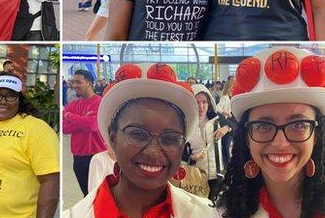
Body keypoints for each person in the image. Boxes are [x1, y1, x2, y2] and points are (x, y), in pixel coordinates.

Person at [214, 47, 325, 217]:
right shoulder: (226, 211)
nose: (280, 143)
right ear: (247, 138)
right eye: (263, 126)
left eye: (298, 125)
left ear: (316, 135)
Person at [63, 62, 214, 217]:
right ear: (113, 138)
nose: (153, 152)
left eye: (169, 139)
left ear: (182, 147)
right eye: (138, 135)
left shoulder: (205, 213)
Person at [0, 72, 59, 218]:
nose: (3, 101)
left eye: (10, 95)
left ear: (19, 99)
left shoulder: (36, 129)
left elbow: (50, 181)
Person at [185, 84, 234, 199]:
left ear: (209, 103)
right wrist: (191, 157)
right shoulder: (185, 122)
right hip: (195, 174)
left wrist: (226, 128)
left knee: (213, 206)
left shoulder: (215, 118)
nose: (201, 106)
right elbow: (178, 149)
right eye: (197, 102)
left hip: (215, 173)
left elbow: (234, 126)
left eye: (204, 102)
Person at [62, 69, 106, 196]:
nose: (74, 85)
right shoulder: (74, 104)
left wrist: (70, 116)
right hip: (79, 157)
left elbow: (92, 125)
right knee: (87, 195)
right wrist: (83, 121)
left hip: (97, 155)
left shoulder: (99, 102)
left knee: (101, 194)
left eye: (78, 82)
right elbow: (64, 128)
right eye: (73, 82)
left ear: (89, 83)